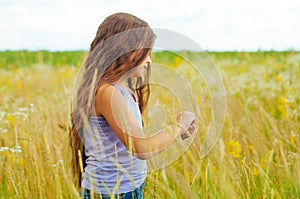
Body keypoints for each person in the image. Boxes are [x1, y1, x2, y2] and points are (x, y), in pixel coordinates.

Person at [69, 12, 196, 199]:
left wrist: (177, 132)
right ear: (123, 50)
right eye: (145, 51)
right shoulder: (108, 93)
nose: (149, 60)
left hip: (127, 189)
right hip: (111, 194)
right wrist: (176, 127)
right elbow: (141, 148)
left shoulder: (124, 90)